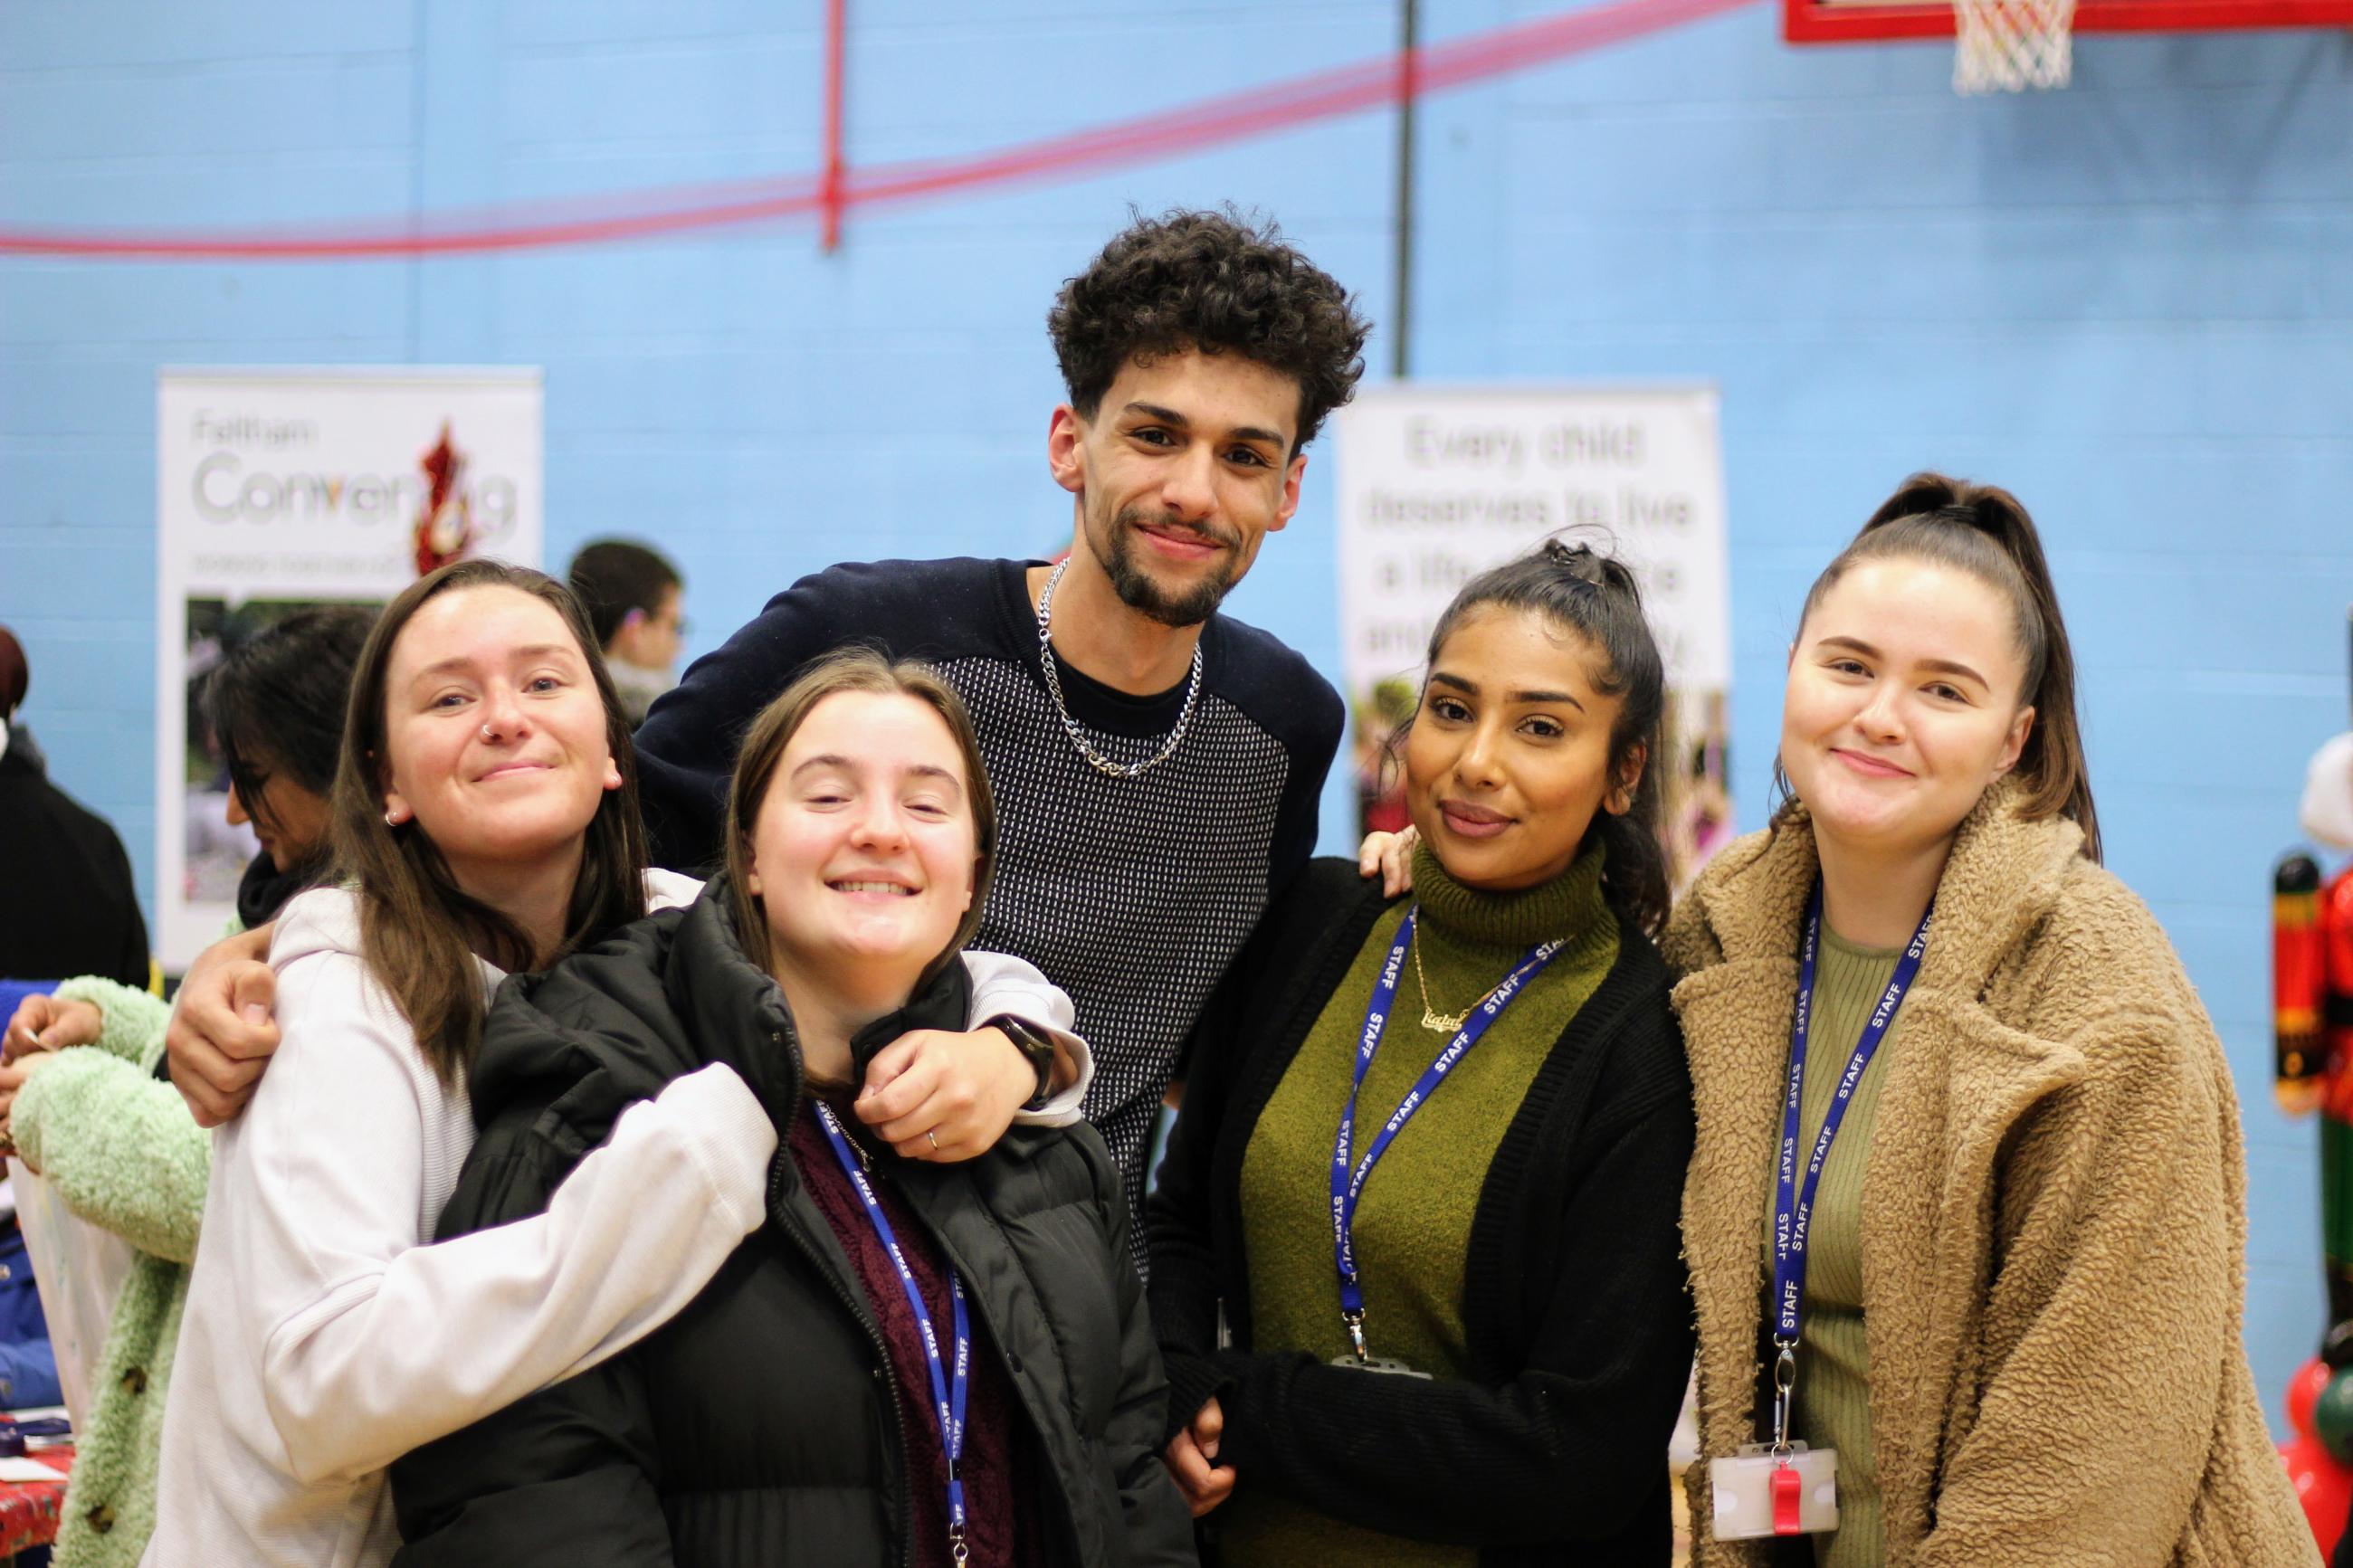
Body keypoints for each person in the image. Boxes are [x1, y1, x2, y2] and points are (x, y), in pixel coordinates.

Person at [147, 561, 1091, 1568]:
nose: (505, 717)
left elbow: (895, 947)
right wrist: (682, 1167)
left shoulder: (665, 923)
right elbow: (322, 1390)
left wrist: (1013, 1050)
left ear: (610, 747)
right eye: (450, 695)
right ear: (385, 782)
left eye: (546, 682)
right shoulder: (339, 997)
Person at [630, 208, 1369, 1230]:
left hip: (1086, 1309)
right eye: (1153, 436)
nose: (1193, 491)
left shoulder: (1282, 728)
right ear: (1071, 445)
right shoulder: (864, 639)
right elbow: (615, 872)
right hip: (809, 1265)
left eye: (1243, 457)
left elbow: (1208, 1053)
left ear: (1286, 490)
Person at [389, 650, 1195, 1566]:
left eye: (926, 804)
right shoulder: (600, 1076)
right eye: (826, 796)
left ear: (971, 875)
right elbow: (522, 1481)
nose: (881, 830)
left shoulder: (1040, 1138)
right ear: (748, 855)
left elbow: (1124, 1478)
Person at [1669, 475, 2315, 1566]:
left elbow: (2087, 1458)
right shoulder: (1722, 927)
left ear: (2012, 738)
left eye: (1943, 690)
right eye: (1848, 665)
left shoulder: (2099, 993)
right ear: (1790, 668)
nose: (1879, 714)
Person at [1147, 542, 1696, 1565]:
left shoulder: (1644, 1043)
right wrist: (1177, 1377)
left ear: (1623, 770)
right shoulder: (1315, 921)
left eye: (1539, 727)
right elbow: (1180, 1219)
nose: (1475, 759)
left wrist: (1254, 1410)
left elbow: (1577, 1454)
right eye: (1449, 708)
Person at [0, 606, 369, 1568]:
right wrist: (113, 1023)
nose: (238, 814)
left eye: (253, 777)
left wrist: (59, 1094)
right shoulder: (298, 912)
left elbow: (242, 1192)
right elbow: (234, 1070)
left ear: (338, 765)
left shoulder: (385, 953)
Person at [0, 626, 148, 992]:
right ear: (14, 709)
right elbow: (133, 994)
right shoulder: (96, 842)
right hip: (79, 1047)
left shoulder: (98, 842)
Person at [567, 539, 685, 726]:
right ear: (636, 627)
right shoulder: (663, 724)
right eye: (674, 626)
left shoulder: (561, 705)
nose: (680, 646)